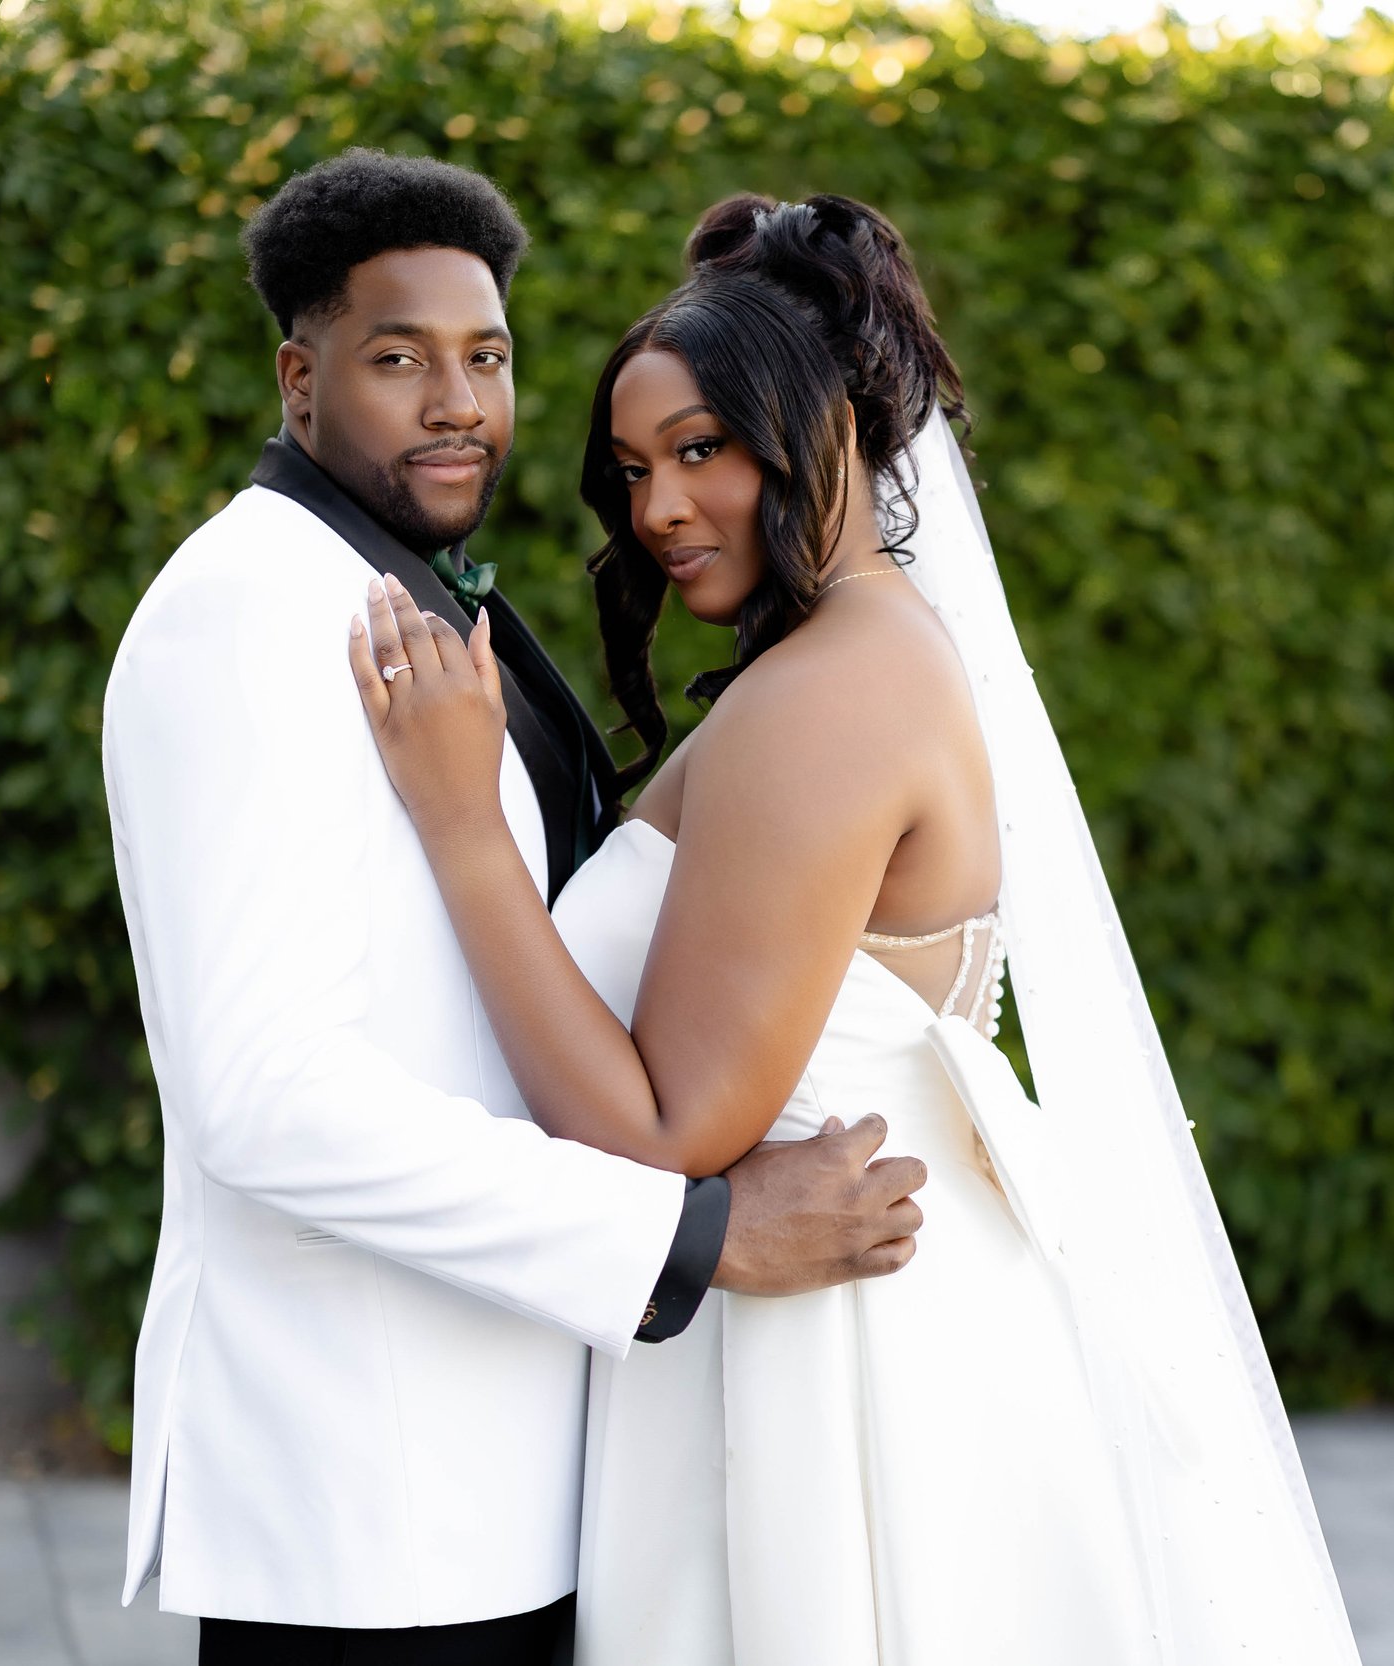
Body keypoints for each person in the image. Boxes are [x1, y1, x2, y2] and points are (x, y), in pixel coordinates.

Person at [347, 192, 1363, 1664]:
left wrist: (458, 826)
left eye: (701, 450)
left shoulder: (829, 692)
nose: (655, 511)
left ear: (816, 427)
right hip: (820, 1334)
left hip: (834, 1372)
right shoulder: (852, 656)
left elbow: (669, 1128)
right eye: (633, 468)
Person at [101, 151, 927, 1666]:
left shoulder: (416, 597)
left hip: (509, 1476)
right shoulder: (249, 612)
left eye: (484, 356)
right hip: (373, 1502)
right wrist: (690, 1234)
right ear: (298, 379)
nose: (456, 402)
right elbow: (265, 1098)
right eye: (397, 358)